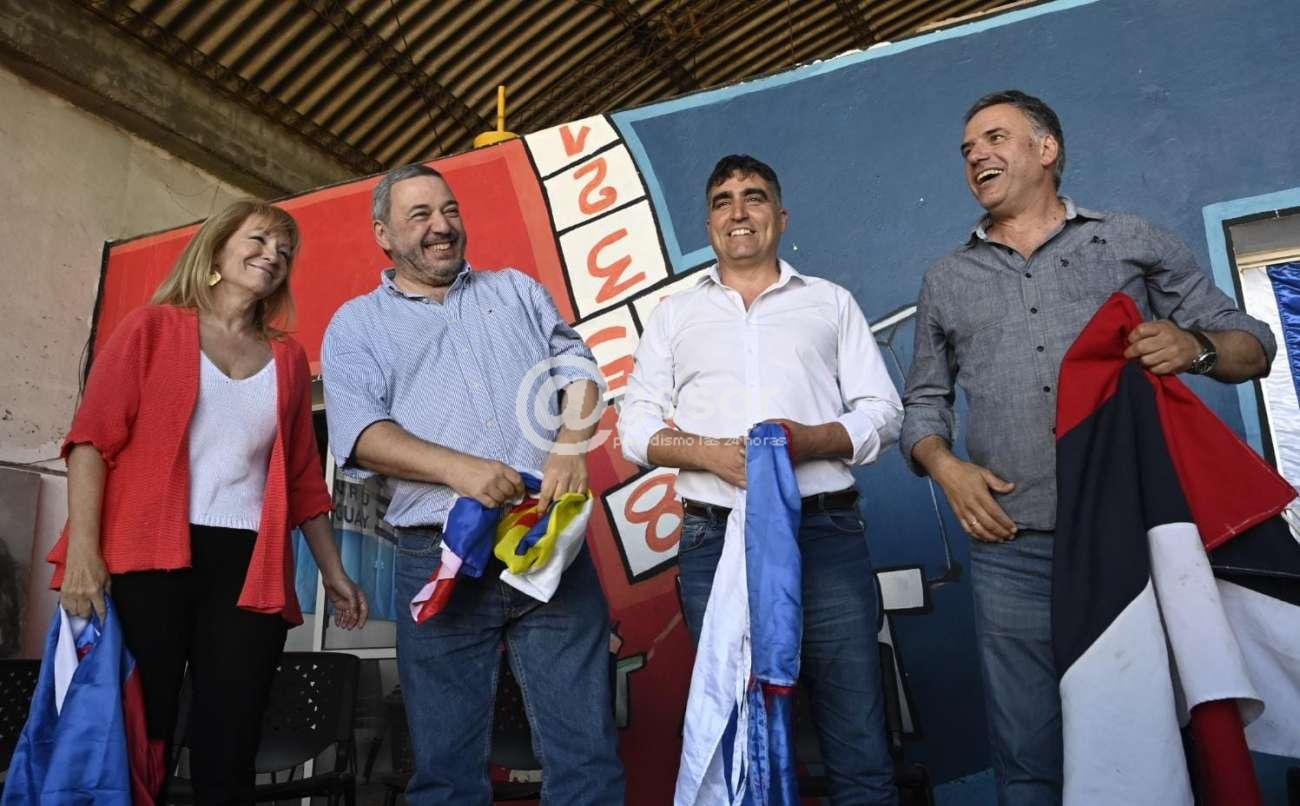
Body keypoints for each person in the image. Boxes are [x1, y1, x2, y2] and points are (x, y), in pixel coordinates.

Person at [900, 89, 1276, 804]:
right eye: (968, 148)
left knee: (1163, 732)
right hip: (1012, 547)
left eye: (995, 138)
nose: (976, 154)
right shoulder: (946, 280)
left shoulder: (1132, 239)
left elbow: (1252, 346)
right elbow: (922, 402)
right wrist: (945, 467)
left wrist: (1194, 346)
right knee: (1028, 753)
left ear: (1047, 149)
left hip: (1131, 535)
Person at [320, 164, 625, 804]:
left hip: (546, 544)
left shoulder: (517, 291)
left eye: (449, 210)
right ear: (383, 235)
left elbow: (580, 371)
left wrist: (571, 445)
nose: (442, 226)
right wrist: (460, 469)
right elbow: (360, 433)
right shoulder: (357, 324)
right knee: (446, 775)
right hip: (438, 558)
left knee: (587, 762)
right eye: (420, 215)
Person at [50, 199, 369, 804]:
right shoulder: (151, 328)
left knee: (232, 740)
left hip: (248, 567)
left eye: (285, 250)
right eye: (259, 240)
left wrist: (334, 572)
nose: (273, 256)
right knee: (138, 734)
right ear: (218, 248)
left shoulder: (287, 359)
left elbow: (304, 477)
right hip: (145, 559)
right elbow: (90, 442)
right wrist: (85, 557)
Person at [619, 154, 904, 804]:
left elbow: (884, 415)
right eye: (723, 201)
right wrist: (707, 454)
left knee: (857, 736)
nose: (738, 212)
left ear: (781, 216)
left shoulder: (830, 303)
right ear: (709, 224)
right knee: (740, 735)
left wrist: (807, 440)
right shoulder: (674, 315)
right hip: (714, 541)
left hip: (824, 534)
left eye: (753, 197)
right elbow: (634, 427)